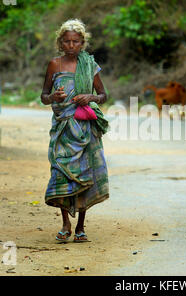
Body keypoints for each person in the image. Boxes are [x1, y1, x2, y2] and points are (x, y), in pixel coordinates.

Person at [41, 19, 109, 243]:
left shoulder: (90, 65)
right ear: (61, 43)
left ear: (82, 43)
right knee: (61, 173)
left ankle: (80, 226)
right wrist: (53, 97)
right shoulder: (54, 64)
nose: (71, 45)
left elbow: (103, 95)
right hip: (63, 129)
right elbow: (44, 96)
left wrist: (91, 97)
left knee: (84, 175)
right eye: (67, 41)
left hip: (85, 129)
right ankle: (65, 224)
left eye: (76, 42)